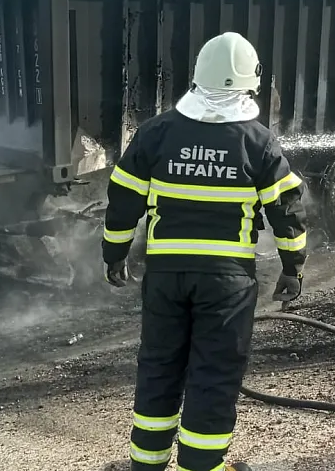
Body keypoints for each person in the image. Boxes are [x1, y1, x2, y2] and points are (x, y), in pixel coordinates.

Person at [101, 32, 308, 471]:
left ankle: (146, 464)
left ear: (197, 77)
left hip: (165, 278)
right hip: (227, 284)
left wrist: (113, 254)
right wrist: (293, 267)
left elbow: (123, 201)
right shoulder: (259, 142)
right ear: (249, 84)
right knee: (213, 376)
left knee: (159, 368)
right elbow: (287, 211)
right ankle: (202, 467)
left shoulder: (156, 133)